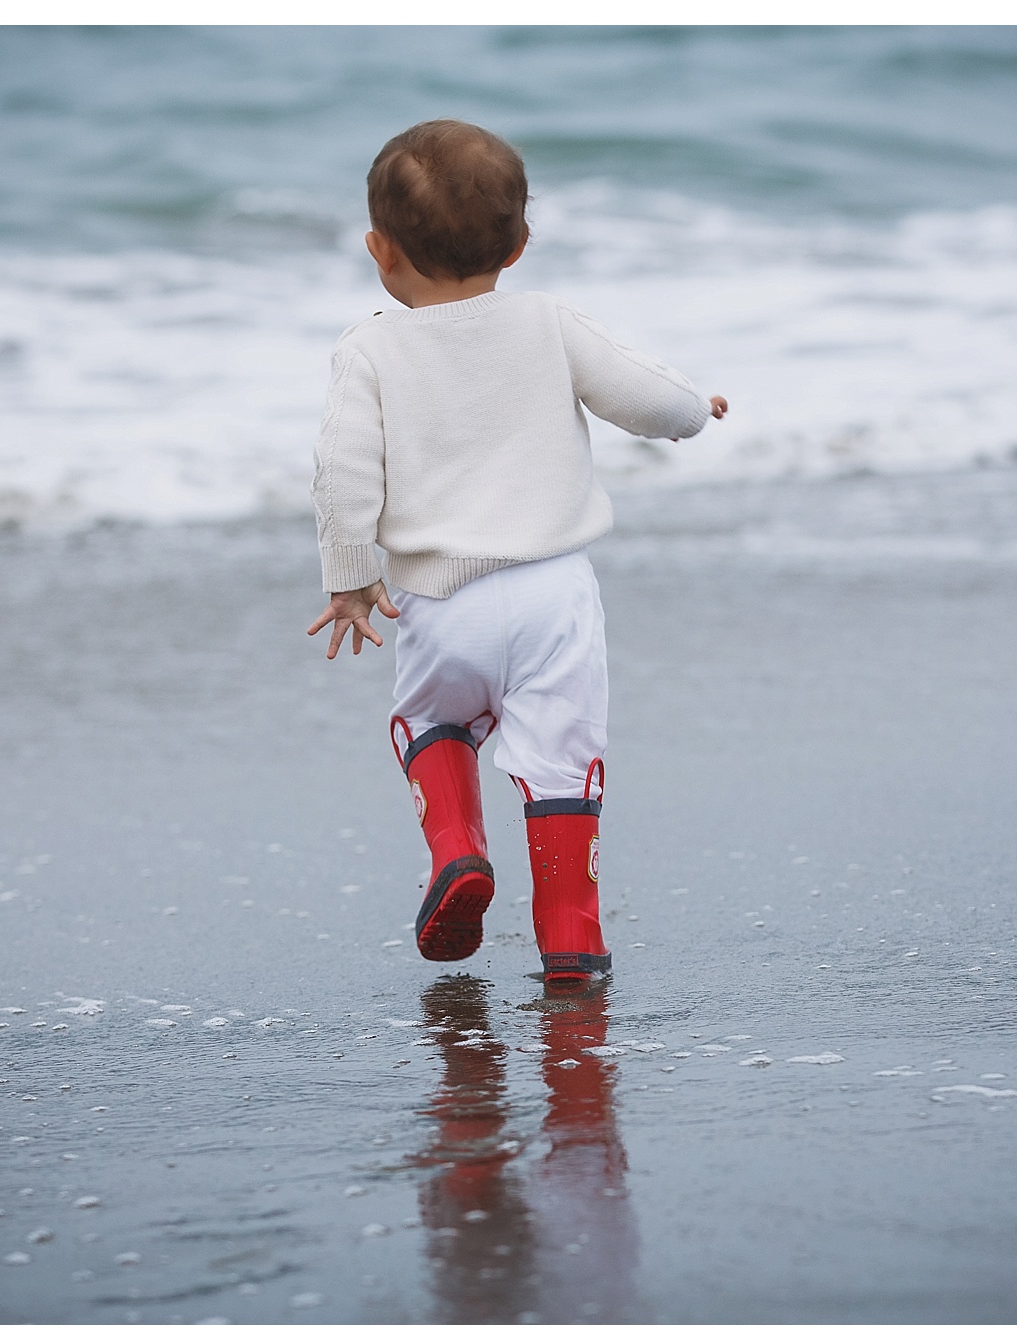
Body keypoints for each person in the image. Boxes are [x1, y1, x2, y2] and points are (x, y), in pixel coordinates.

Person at [305, 119, 728, 981]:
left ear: (378, 251)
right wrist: (695, 409)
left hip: (438, 603)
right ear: (521, 244)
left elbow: (342, 472)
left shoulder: (370, 349)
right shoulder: (548, 323)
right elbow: (647, 397)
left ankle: (458, 849)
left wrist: (350, 579)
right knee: (563, 765)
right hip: (557, 598)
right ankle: (572, 941)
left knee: (432, 722)